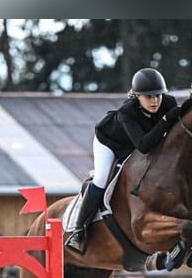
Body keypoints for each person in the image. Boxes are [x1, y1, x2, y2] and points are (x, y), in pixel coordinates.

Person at [65, 68, 182, 254]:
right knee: (102, 178)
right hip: (109, 143)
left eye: (158, 96)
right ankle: (79, 230)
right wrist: (166, 119)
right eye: (148, 97)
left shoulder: (168, 102)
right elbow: (144, 145)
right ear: (137, 96)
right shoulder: (126, 112)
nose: (155, 101)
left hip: (134, 144)